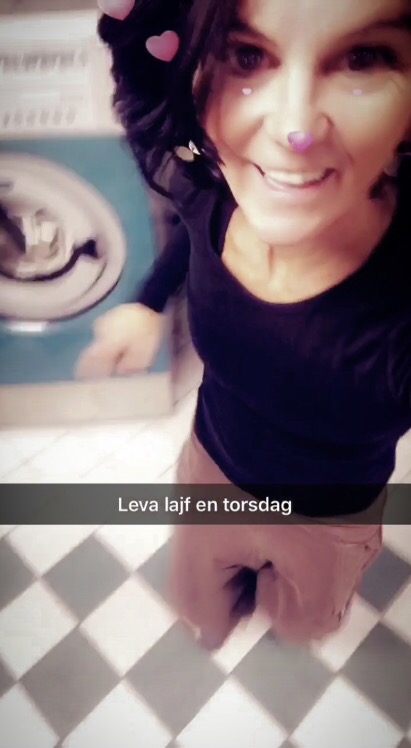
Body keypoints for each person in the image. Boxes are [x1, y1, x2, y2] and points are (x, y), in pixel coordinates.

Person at [76, 0, 411, 649]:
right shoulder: (215, 196)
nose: (295, 131)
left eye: (362, 59)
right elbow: (194, 231)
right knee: (201, 606)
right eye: (246, 56)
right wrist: (148, 301)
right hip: (210, 471)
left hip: (324, 521)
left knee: (302, 622)